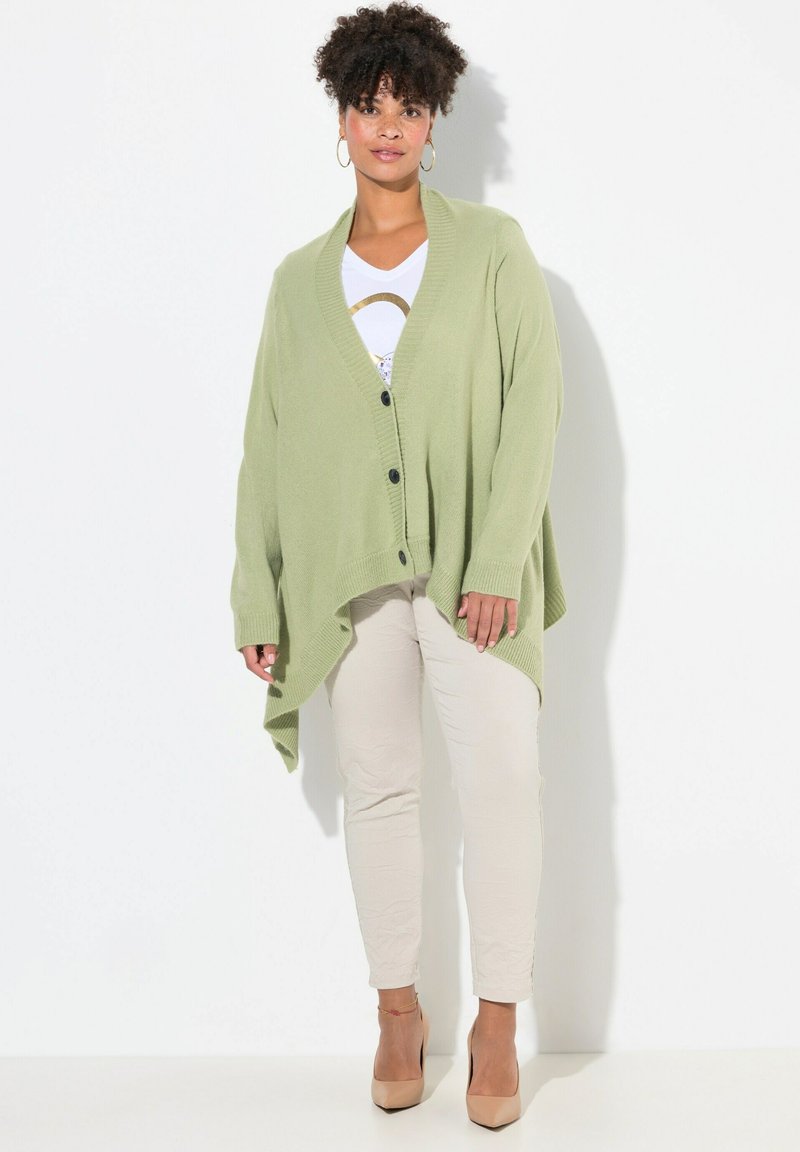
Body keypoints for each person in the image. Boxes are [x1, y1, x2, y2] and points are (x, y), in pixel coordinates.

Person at [230, 0, 566, 1129]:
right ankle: (396, 1011)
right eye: (368, 106)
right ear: (341, 119)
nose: (388, 126)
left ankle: (498, 1021)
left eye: (408, 107)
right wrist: (259, 587)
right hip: (349, 573)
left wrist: (499, 555)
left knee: (502, 783)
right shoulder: (298, 281)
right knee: (379, 791)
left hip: (477, 576)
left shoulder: (492, 250)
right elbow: (269, 438)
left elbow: (533, 404)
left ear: (433, 121)